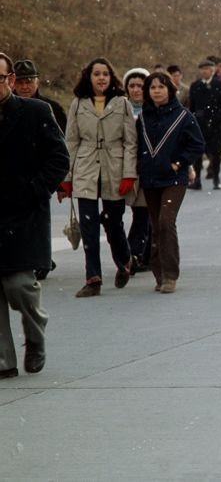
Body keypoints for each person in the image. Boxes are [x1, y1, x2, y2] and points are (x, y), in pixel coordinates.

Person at [0, 52, 69, 378]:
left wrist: (34, 190)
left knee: (19, 285)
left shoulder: (36, 112)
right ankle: (4, 361)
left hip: (23, 213)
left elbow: (59, 158)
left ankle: (35, 333)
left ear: (10, 80)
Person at [60, 57, 138, 297]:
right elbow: (71, 141)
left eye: (105, 74)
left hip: (114, 169)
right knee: (88, 226)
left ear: (111, 77)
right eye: (96, 74)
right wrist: (67, 177)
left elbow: (130, 142)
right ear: (89, 77)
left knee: (114, 223)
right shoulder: (78, 104)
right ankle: (93, 278)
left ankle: (125, 260)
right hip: (85, 168)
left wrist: (129, 174)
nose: (101, 78)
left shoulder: (122, 104)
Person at [136, 71, 205, 293]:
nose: (156, 91)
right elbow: (136, 146)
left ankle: (170, 274)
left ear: (170, 89)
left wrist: (179, 163)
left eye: (161, 87)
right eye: (152, 87)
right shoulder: (143, 119)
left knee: (166, 221)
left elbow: (197, 144)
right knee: (155, 226)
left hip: (174, 179)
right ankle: (159, 274)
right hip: (149, 179)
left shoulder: (183, 116)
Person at [122, 67, 152, 274]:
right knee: (139, 211)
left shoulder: (155, 110)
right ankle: (138, 253)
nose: (135, 90)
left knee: (144, 212)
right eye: (131, 86)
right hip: (127, 167)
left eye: (140, 86)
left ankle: (135, 252)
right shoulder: (120, 110)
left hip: (149, 168)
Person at [187, 59, 221, 190]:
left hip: (215, 125)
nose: (204, 71)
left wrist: (218, 117)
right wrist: (194, 118)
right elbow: (192, 106)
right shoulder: (195, 86)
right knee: (197, 153)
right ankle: (197, 180)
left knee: (216, 153)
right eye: (202, 69)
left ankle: (216, 177)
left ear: (212, 70)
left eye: (207, 68)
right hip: (199, 126)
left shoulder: (220, 85)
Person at [11, 59, 67, 133]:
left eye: (28, 82)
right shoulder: (6, 108)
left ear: (37, 82)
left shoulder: (53, 109)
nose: (24, 87)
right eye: (20, 83)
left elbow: (64, 139)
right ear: (13, 84)